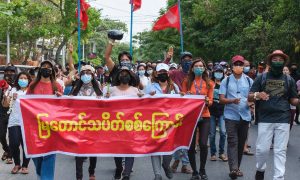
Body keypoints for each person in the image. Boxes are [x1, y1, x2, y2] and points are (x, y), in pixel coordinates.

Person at [248, 50, 299, 180]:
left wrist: (298, 100)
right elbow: (249, 96)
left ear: (284, 62)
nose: (277, 62)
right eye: (275, 60)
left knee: (280, 151)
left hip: (283, 118)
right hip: (265, 118)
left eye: (280, 60)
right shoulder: (262, 77)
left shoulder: (289, 79)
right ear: (270, 62)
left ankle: (279, 177)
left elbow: (293, 99)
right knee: (262, 150)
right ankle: (260, 169)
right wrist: (257, 95)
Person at [27, 60, 63, 180]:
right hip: (35, 125)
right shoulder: (32, 85)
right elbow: (25, 103)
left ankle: (46, 178)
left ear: (52, 70)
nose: (46, 69)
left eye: (49, 67)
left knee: (49, 154)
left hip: (51, 126)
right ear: (40, 69)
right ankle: (40, 173)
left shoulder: (56, 85)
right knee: (35, 153)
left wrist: (59, 98)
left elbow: (62, 106)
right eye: (44, 67)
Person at [219, 55, 253, 180]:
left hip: (245, 116)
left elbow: (252, 97)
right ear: (232, 66)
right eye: (236, 64)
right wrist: (232, 100)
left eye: (240, 64)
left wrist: (252, 102)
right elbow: (221, 99)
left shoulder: (249, 81)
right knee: (232, 141)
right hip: (230, 116)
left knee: (240, 143)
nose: (238, 66)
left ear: (243, 66)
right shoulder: (226, 81)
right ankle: (233, 168)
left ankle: (237, 167)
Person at [104, 66, 142, 180]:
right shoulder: (111, 90)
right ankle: (119, 168)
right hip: (116, 126)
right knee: (117, 149)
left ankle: (126, 173)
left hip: (131, 126)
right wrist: (106, 98)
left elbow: (144, 107)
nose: (124, 76)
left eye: (126, 74)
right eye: (121, 74)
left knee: (130, 149)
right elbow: (103, 105)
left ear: (130, 76)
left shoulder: (135, 90)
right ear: (118, 76)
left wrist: (143, 98)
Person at [145, 63, 179, 180]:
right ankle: (157, 174)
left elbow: (181, 103)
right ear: (156, 74)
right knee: (155, 148)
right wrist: (147, 96)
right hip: (155, 122)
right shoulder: (150, 87)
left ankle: (166, 165)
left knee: (168, 149)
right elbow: (142, 103)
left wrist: (183, 96)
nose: (162, 74)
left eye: (165, 72)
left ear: (168, 73)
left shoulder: (174, 87)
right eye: (160, 72)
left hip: (171, 124)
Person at [182, 58, 214, 180]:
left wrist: (207, 101)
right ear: (192, 68)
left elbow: (210, 101)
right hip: (191, 116)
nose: (199, 68)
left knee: (203, 144)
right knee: (190, 145)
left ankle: (202, 169)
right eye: (197, 66)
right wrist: (186, 96)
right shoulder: (187, 81)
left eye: (201, 66)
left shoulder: (209, 82)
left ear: (204, 68)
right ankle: (194, 172)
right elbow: (183, 98)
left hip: (205, 115)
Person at [70, 65, 102, 180]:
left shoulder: (98, 87)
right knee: (79, 152)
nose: (85, 75)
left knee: (93, 151)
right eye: (83, 73)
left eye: (88, 73)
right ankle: (79, 176)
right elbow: (69, 103)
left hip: (94, 125)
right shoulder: (76, 88)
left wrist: (106, 98)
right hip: (79, 125)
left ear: (93, 75)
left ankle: (91, 171)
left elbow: (103, 105)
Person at [8, 72, 32, 174]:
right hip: (14, 121)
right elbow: (5, 105)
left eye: (25, 78)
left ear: (28, 80)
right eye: (21, 78)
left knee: (27, 145)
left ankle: (25, 166)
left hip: (28, 122)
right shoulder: (13, 90)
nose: (23, 80)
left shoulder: (32, 92)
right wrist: (10, 98)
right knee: (14, 143)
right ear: (18, 80)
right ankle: (17, 164)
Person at [209, 65, 228, 162]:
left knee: (223, 132)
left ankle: (221, 153)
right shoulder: (209, 83)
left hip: (223, 111)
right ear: (213, 72)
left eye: (221, 71)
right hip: (211, 111)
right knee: (212, 134)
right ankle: (213, 153)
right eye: (217, 71)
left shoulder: (225, 83)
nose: (219, 73)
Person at [0, 65, 17, 164]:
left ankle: (10, 155)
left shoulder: (17, 85)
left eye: (12, 71)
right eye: (7, 71)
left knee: (12, 136)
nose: (9, 73)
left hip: (13, 114)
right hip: (2, 113)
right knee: (1, 135)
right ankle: (6, 149)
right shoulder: (0, 84)